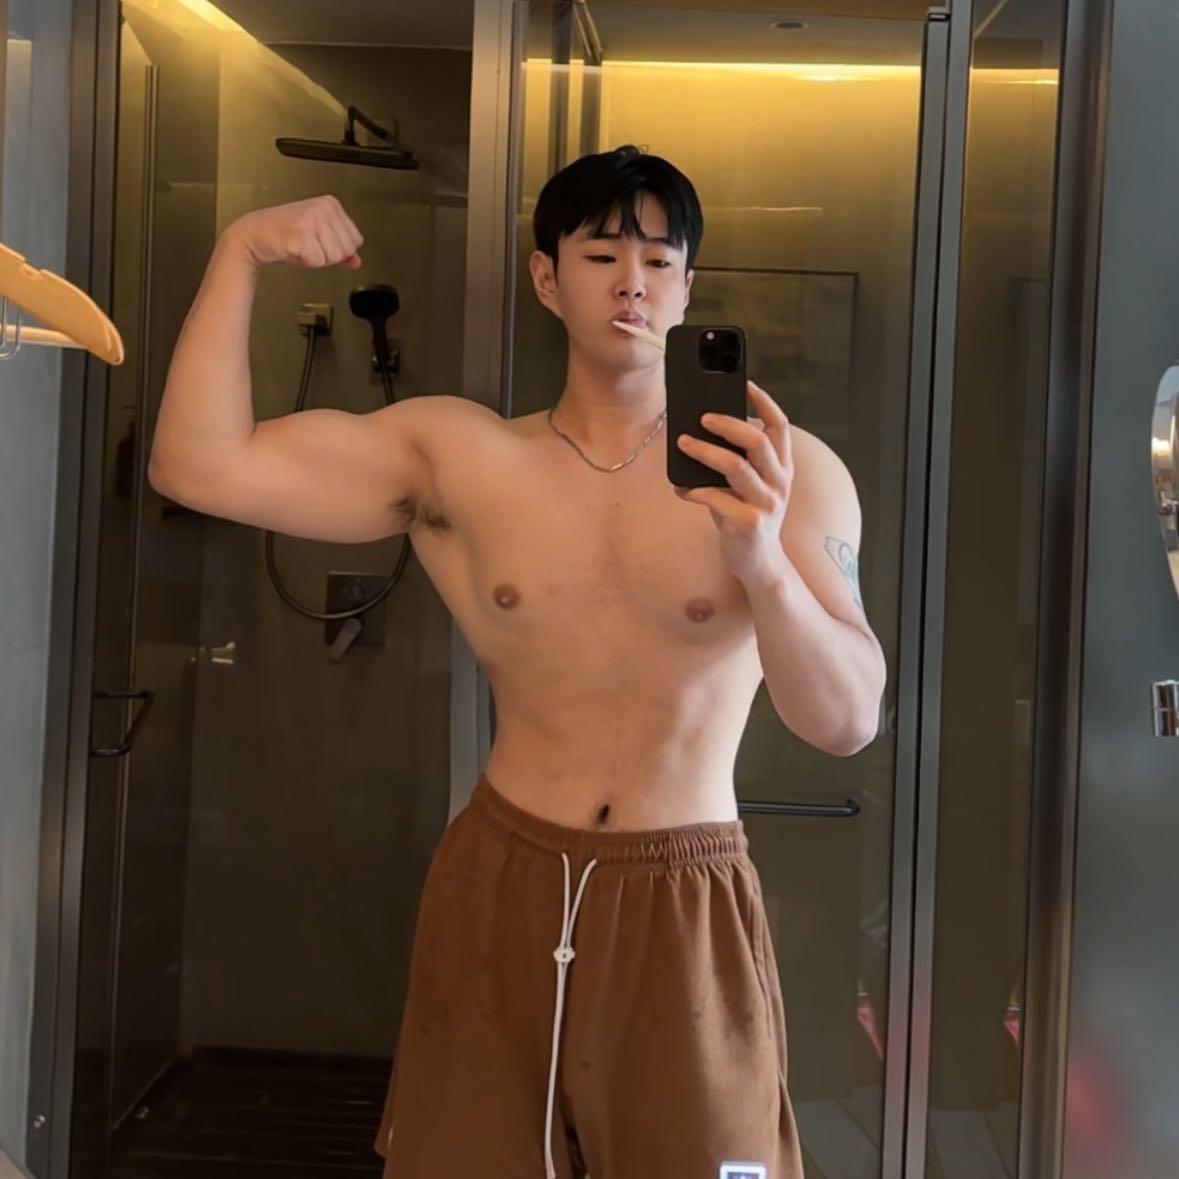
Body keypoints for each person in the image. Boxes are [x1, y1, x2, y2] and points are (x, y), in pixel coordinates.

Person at [149, 144, 885, 1179]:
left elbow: (846, 720)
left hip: (683, 889)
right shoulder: (460, 456)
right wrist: (239, 252)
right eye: (601, 255)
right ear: (547, 278)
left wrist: (760, 558)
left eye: (660, 261)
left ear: (688, 289)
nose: (633, 283)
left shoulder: (786, 476)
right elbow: (195, 464)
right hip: (504, 872)